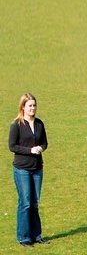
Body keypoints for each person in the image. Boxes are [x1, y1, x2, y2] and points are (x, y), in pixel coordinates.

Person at [8, 93, 49, 247]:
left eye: (34, 105)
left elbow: (45, 143)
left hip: (37, 169)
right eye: (29, 105)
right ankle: (24, 237)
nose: (32, 108)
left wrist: (40, 148)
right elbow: (12, 146)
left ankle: (36, 235)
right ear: (23, 107)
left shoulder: (39, 124)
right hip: (22, 169)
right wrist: (30, 150)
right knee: (25, 202)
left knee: (34, 202)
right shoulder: (16, 125)